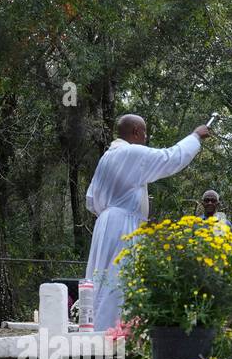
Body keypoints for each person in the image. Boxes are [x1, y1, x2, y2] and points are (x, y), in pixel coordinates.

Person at [84, 114, 211, 328]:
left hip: (105, 223)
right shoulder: (130, 152)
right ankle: (112, 331)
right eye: (144, 133)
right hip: (123, 225)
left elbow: (90, 200)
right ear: (135, 132)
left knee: (102, 278)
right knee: (119, 280)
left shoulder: (108, 156)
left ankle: (96, 328)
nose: (146, 137)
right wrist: (195, 136)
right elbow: (170, 158)